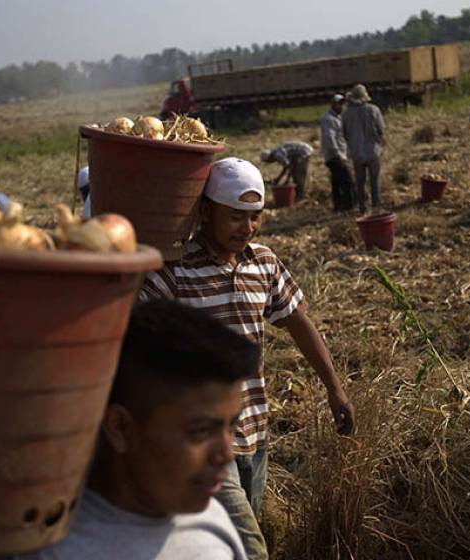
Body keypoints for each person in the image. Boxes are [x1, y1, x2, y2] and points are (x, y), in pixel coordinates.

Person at [0, 300, 257, 560]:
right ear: (121, 428)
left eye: (231, 426)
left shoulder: (211, 526)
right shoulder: (33, 543)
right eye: (200, 431)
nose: (226, 453)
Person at [139, 157, 355, 560]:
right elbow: (132, 326)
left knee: (230, 545)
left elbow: (297, 321)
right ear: (206, 212)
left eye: (255, 218)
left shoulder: (264, 262)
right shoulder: (176, 270)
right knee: (251, 550)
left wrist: (335, 388)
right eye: (236, 217)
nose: (248, 228)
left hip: (255, 428)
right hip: (202, 439)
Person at [341, 84, 385, 212]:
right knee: (375, 180)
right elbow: (381, 129)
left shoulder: (346, 114)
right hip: (373, 151)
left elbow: (344, 133)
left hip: (356, 152)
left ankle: (362, 207)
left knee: (360, 181)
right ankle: (376, 206)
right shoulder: (373, 110)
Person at [320, 93, 355, 211]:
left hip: (339, 154)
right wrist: (339, 155)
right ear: (333, 105)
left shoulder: (338, 118)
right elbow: (330, 138)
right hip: (335, 156)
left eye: (342, 104)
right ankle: (349, 207)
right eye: (339, 104)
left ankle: (338, 207)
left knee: (337, 182)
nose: (342, 106)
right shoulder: (328, 119)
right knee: (347, 181)